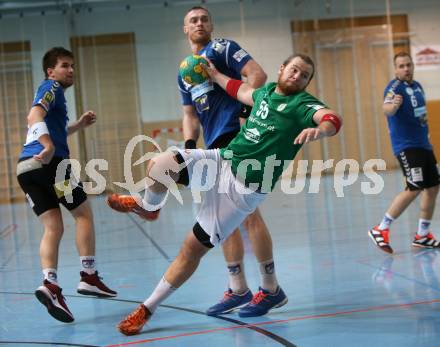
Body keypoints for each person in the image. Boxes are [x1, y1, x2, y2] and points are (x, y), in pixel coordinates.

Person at [108, 53, 342, 335]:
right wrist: (216, 75)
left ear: (306, 83)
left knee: (191, 249)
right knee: (161, 163)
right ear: (282, 69)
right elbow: (242, 91)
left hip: (243, 190)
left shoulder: (302, 104)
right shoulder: (266, 92)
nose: (297, 76)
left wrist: (321, 131)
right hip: (224, 160)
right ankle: (149, 205)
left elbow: (329, 117)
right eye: (293, 70)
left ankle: (147, 308)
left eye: (304, 75)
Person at [179, 6, 283, 317]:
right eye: (193, 20)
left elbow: (259, 75)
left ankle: (271, 288)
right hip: (213, 146)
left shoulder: (221, 48)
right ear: (185, 29)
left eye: (204, 19)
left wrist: (246, 115)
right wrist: (187, 148)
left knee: (248, 215)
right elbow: (189, 115)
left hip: (238, 140)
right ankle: (238, 288)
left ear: (211, 24)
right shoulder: (186, 69)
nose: (199, 23)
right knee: (219, 220)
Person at [16, 47, 117, 323]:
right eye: (64, 65)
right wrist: (48, 145)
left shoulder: (56, 98)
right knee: (83, 214)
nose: (70, 70)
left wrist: (78, 126)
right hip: (52, 166)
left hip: (27, 170)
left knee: (53, 227)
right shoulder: (51, 87)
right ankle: (89, 276)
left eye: (72, 66)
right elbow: (33, 116)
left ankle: (50, 284)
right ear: (51, 71)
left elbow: (52, 125)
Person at [368, 52, 440, 254]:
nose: (406, 68)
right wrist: (392, 106)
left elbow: (421, 116)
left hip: (423, 145)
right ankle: (381, 228)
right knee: (414, 187)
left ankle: (423, 235)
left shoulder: (417, 87)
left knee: (433, 188)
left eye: (408, 64)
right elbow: (387, 109)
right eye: (401, 66)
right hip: (407, 147)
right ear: (396, 69)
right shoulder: (394, 88)